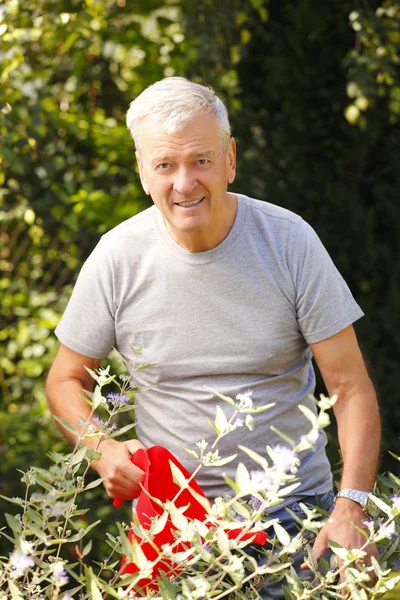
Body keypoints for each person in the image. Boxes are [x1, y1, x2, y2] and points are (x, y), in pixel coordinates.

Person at [46, 77, 380, 597]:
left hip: (294, 524)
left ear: (230, 159)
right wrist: (101, 448)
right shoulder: (117, 258)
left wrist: (350, 506)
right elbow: (64, 380)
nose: (184, 183)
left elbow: (351, 388)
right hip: (174, 532)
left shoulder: (289, 241)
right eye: (165, 165)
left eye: (200, 160)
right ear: (142, 171)